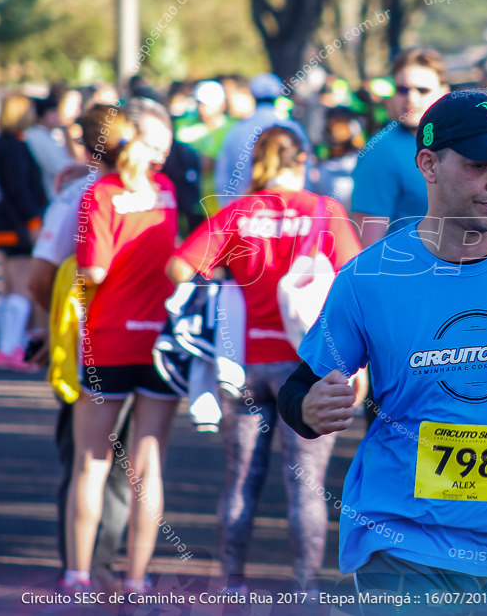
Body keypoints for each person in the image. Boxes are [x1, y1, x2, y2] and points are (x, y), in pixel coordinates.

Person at [277, 92, 487, 609]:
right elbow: (300, 385)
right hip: (397, 534)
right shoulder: (370, 277)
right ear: (429, 164)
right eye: (479, 165)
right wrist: (307, 410)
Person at [166, 124, 362, 595]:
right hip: (310, 366)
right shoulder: (324, 211)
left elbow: (178, 267)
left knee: (240, 479)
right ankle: (305, 589)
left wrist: (224, 280)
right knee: (308, 485)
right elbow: (358, 282)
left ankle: (232, 584)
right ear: (302, 161)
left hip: (244, 361)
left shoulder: (237, 212)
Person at [63, 97, 180, 594]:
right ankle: (136, 579)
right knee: (148, 462)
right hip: (161, 339)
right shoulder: (166, 189)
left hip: (108, 337)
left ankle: (78, 576)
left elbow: (95, 271)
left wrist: (73, 293)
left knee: (91, 462)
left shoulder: (101, 193)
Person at [28, 103, 131, 592]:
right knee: (118, 455)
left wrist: (57, 322)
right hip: (131, 340)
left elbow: (39, 273)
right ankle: (103, 563)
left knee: (86, 453)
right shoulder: (155, 191)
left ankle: (83, 565)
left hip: (90, 339)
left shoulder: (81, 192)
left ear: (82, 144)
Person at [350, 48, 450, 247]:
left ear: (444, 92)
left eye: (422, 90)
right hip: (405, 273)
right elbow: (367, 247)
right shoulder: (381, 151)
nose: (411, 99)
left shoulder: (457, 141)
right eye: (402, 90)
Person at [0, 93, 48, 372]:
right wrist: (33, 222)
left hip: (3, 222)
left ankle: (9, 345)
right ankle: (10, 348)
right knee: (21, 286)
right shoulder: (12, 146)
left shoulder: (2, 144)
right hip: (16, 224)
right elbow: (19, 189)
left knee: (11, 287)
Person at [214, 73, 309, 206]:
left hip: (244, 215)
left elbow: (223, 178)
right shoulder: (292, 128)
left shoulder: (235, 131)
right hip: (289, 214)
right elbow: (306, 173)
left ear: (252, 95)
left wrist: (228, 215)